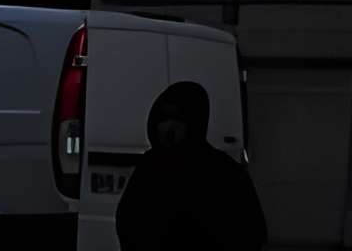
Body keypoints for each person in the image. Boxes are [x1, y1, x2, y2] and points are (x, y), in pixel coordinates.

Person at [115, 78, 268, 249]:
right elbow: (127, 223)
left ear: (195, 122)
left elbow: (251, 232)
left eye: (179, 118)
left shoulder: (224, 173)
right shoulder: (148, 167)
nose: (169, 127)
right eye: (163, 117)